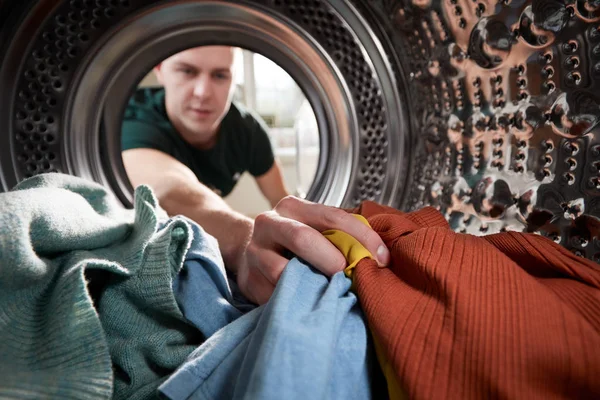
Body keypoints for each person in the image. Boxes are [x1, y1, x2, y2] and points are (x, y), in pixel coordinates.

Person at [121, 46, 390, 304]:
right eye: (187, 71)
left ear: (233, 78)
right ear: (160, 69)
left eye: (219, 75)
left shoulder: (247, 132)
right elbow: (168, 189)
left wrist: (307, 236)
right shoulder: (134, 117)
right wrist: (245, 242)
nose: (203, 92)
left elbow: (284, 202)